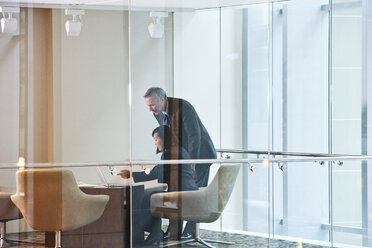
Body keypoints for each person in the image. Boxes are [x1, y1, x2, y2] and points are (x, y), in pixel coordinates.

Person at [143, 87, 217, 238]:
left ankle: (190, 232)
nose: (150, 109)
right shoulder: (158, 112)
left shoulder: (183, 107)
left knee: (193, 195)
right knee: (178, 194)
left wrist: (191, 162)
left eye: (152, 105)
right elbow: (167, 135)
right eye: (148, 106)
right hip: (181, 159)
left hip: (199, 157)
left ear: (162, 99)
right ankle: (175, 232)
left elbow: (194, 136)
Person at [118, 125, 198, 246]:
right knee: (150, 198)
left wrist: (133, 174)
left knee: (146, 199)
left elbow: (159, 174)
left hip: (182, 197)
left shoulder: (169, 154)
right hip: (189, 195)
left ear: (164, 138)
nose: (155, 143)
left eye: (156, 139)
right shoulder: (180, 150)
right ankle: (155, 234)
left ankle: (153, 234)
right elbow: (160, 173)